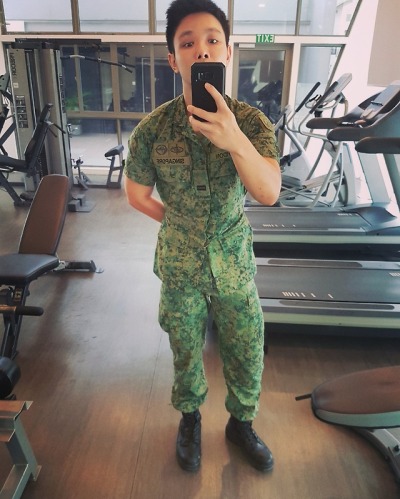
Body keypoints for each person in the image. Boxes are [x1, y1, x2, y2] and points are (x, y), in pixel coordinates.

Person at [124, 0, 281, 473]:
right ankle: (190, 418)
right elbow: (136, 194)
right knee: (185, 348)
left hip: (233, 262)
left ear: (228, 52)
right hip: (180, 266)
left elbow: (268, 192)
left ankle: (241, 423)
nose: (202, 50)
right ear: (173, 59)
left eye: (213, 40)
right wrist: (177, 223)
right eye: (188, 43)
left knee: (246, 346)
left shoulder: (251, 123)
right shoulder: (153, 129)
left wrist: (234, 141)